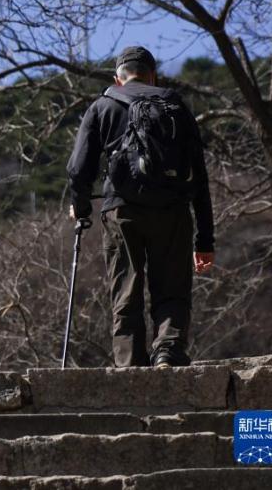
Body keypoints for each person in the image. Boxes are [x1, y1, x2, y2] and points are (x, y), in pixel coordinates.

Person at [67, 45, 215, 369]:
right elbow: (199, 176)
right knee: (172, 288)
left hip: (122, 211)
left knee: (125, 287)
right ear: (153, 75)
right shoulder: (175, 105)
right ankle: (168, 353)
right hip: (173, 211)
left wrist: (81, 207)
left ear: (117, 78)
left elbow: (79, 169)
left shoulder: (103, 105)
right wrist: (205, 240)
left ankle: (130, 365)